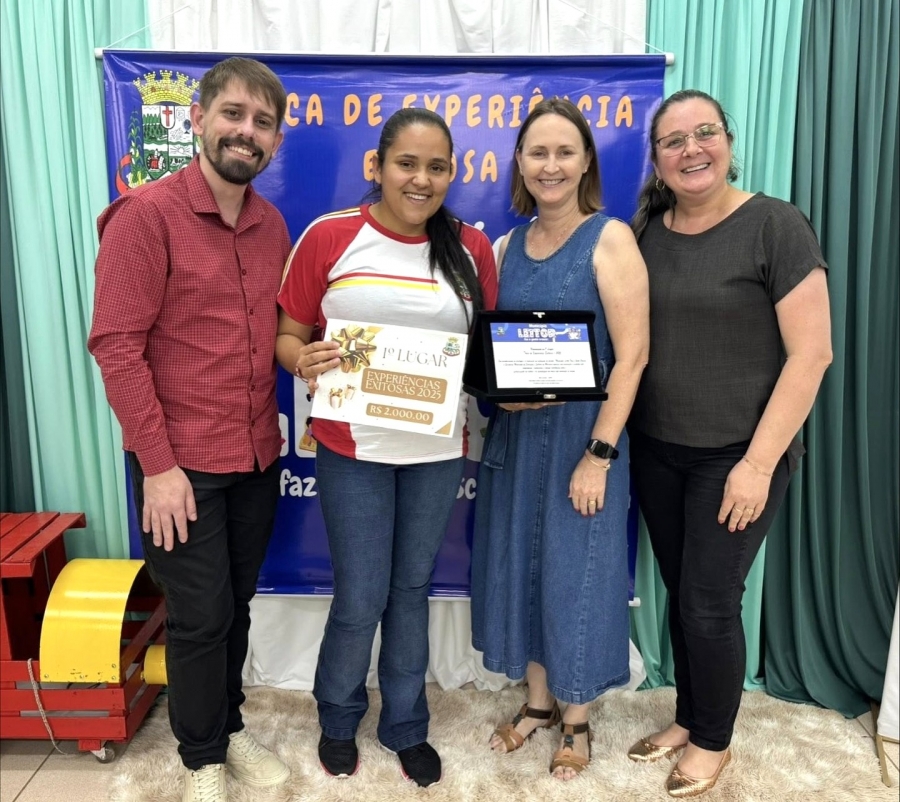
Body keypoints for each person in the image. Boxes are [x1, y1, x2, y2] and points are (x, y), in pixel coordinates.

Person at [88, 57, 292, 802]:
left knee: (234, 607)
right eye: (233, 114)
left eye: (262, 122)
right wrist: (158, 466)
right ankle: (202, 757)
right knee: (200, 617)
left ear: (275, 139)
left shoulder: (271, 226)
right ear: (199, 119)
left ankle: (227, 727)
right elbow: (116, 346)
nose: (247, 131)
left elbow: (278, 331)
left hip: (256, 455)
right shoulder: (146, 217)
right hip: (179, 464)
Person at [276, 107, 498, 788]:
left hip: (435, 450)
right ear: (377, 166)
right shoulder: (331, 236)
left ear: (452, 174)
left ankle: (405, 725)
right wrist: (301, 359)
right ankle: (339, 717)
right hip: (352, 447)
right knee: (361, 594)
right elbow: (288, 334)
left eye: (436, 167)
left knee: (411, 590)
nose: (420, 179)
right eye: (407, 163)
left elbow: (486, 353)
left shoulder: (472, 248)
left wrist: (522, 382)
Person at [626, 89, 832, 798]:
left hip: (739, 455)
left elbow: (812, 355)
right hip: (658, 448)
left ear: (729, 142)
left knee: (709, 600)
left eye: (705, 133)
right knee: (683, 590)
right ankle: (690, 716)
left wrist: (757, 464)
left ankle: (713, 741)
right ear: (657, 160)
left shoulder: (776, 225)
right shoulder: (645, 232)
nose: (692, 149)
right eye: (673, 141)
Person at [470, 97, 650, 780]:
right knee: (526, 568)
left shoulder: (611, 239)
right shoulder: (505, 247)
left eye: (564, 152)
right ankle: (539, 704)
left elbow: (632, 358)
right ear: (519, 162)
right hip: (517, 442)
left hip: (585, 441)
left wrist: (599, 455)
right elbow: (490, 355)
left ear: (585, 163)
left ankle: (577, 717)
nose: (551, 165)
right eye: (538, 152)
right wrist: (497, 394)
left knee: (579, 572)